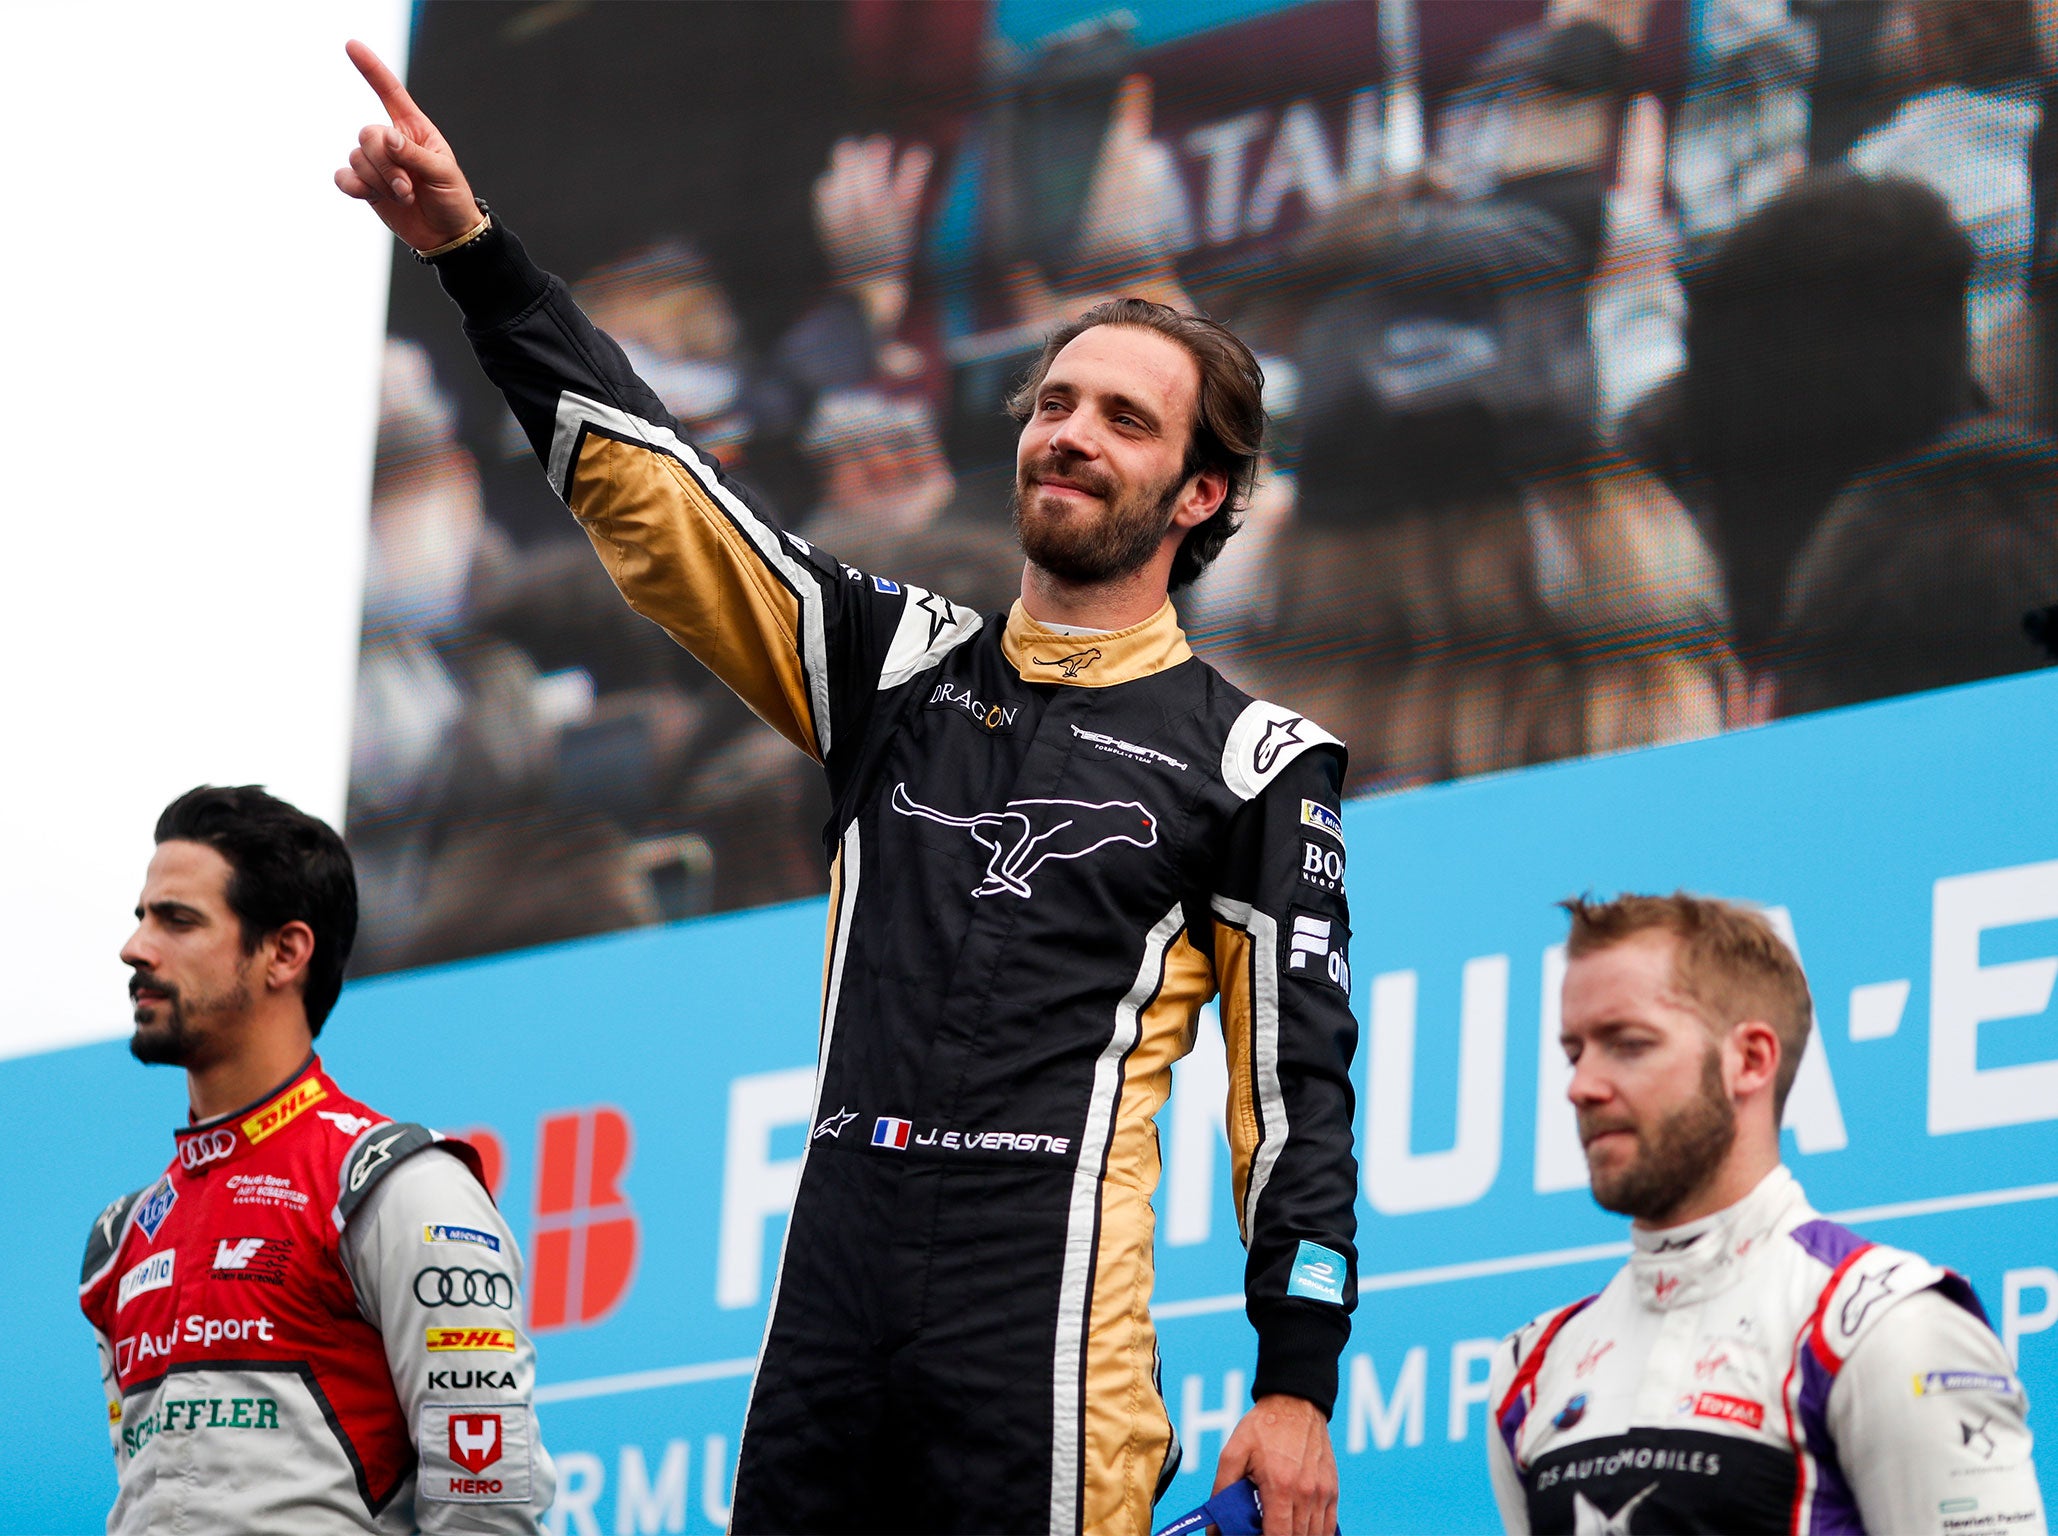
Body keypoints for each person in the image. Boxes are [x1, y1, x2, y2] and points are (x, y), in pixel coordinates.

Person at [336, 39, 1360, 1536]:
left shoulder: (1257, 762)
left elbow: (1295, 1101)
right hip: (828, 1317)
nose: (1067, 432)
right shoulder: (892, 665)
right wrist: (473, 259)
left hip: (1045, 1342)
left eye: (1124, 420)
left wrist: (1296, 1383)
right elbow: (660, 498)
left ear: (1202, 494)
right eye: (1053, 402)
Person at [1487, 893, 2045, 1535]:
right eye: (1574, 1052)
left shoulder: (1882, 1325)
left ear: (1750, 1060)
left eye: (1628, 1044)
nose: (1580, 1086)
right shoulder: (1531, 1369)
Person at [78, 786, 555, 1531]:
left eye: (177, 920)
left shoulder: (394, 1187)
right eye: (142, 918)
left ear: (285, 953)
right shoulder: (120, 1241)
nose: (135, 947)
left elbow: (487, 1500)